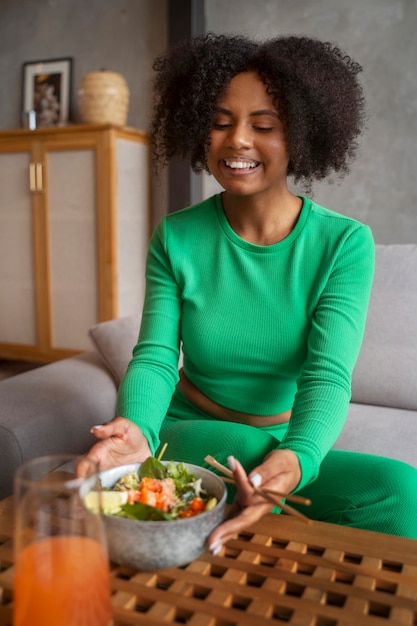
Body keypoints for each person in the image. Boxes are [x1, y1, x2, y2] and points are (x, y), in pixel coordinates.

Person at [86, 33, 417, 549]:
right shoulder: (176, 236)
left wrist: (299, 455)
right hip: (189, 429)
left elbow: (327, 374)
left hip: (280, 439)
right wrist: (136, 428)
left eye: (264, 126)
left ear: (302, 137)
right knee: (243, 447)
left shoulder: (344, 243)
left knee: (398, 491)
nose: (237, 140)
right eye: (219, 123)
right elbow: (154, 357)